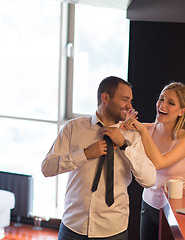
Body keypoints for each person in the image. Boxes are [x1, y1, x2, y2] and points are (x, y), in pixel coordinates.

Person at [41, 76, 156, 240]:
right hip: (73, 227)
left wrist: (124, 145)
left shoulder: (132, 137)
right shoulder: (73, 128)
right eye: (125, 99)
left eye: (130, 100)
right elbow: (47, 168)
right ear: (106, 98)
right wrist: (85, 154)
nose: (130, 106)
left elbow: (150, 179)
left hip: (113, 231)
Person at [121, 82, 185, 240]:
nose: (162, 105)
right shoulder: (147, 130)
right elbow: (117, 131)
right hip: (148, 204)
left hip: (175, 208)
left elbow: (159, 163)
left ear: (182, 111)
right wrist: (125, 120)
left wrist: (141, 130)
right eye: (161, 99)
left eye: (170, 103)